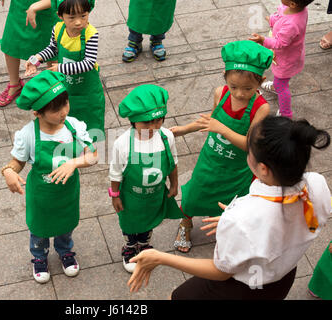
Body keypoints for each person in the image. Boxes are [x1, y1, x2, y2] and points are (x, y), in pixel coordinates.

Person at [128, 116, 331, 300]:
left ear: (262, 168)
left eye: (249, 150)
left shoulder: (242, 219)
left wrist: (160, 257)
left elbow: (221, 272)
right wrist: (237, 222)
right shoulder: (317, 183)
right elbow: (280, 226)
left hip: (243, 289)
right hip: (282, 278)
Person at [170, 40, 272, 253]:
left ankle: (226, 227)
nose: (239, 94)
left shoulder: (261, 108)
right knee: (194, 194)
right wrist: (183, 129)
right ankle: (185, 223)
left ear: (261, 81)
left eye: (248, 88)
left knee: (231, 201)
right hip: (211, 159)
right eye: (233, 86)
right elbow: (210, 122)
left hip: (238, 168)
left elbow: (250, 145)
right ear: (225, 78)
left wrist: (222, 129)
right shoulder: (221, 93)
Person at [1, 70, 98, 283]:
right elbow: (18, 161)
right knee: (39, 230)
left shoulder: (73, 126)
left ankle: (65, 252)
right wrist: (8, 171)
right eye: (55, 110)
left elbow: (93, 156)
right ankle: (39, 257)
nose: (63, 112)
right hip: (41, 196)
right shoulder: (28, 134)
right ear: (38, 113)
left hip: (67, 194)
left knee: (66, 227)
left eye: (65, 104)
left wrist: (74, 162)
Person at [109, 84, 181, 273]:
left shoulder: (166, 137)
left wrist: (174, 184)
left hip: (154, 194)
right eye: (146, 123)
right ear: (133, 121)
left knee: (149, 221)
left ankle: (144, 244)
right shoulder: (123, 144)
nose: (153, 127)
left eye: (158, 121)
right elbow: (115, 172)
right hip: (130, 196)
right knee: (129, 222)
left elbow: (172, 162)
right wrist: (115, 195)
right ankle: (130, 247)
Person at [25, 0, 105, 142]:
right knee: (67, 115)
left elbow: (89, 63)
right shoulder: (58, 29)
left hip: (88, 91)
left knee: (90, 119)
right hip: (67, 88)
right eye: (72, 17)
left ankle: (88, 146)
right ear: (60, 16)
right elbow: (52, 49)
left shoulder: (91, 34)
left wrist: (60, 68)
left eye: (83, 16)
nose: (79, 22)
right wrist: (36, 59)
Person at [249, 0, 314, 118]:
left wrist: (263, 40)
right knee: (280, 79)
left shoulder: (292, 24)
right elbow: (280, 14)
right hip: (289, 54)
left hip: (286, 59)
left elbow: (280, 42)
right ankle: (276, 86)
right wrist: (273, 20)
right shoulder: (296, 8)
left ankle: (286, 113)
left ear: (293, 4)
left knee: (282, 84)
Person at [0, 0, 58, 107]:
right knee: (11, 44)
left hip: (48, 11)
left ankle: (53, 86)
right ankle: (14, 84)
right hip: (20, 7)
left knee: (53, 50)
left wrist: (35, 7)